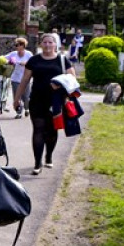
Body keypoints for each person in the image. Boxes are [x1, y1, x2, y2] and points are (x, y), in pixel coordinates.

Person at [13, 32, 75, 174]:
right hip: (37, 100)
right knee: (38, 129)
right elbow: (24, 80)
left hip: (56, 102)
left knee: (52, 131)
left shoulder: (62, 60)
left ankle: (48, 156)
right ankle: (37, 163)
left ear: (55, 45)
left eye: (50, 42)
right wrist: (17, 98)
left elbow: (72, 79)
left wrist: (59, 85)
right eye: (45, 42)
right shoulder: (34, 60)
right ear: (40, 44)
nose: (47, 45)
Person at [4, 37, 32, 119]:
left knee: (26, 97)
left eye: (18, 45)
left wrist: (25, 63)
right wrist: (8, 62)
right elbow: (5, 58)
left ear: (23, 45)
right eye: (16, 45)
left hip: (26, 79)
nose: (17, 47)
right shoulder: (13, 54)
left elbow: (33, 63)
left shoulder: (28, 54)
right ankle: (19, 112)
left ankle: (27, 109)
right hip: (15, 79)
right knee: (16, 96)